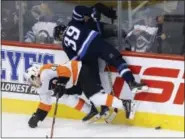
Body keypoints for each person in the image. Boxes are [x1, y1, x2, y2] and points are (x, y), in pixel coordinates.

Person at [24, 61, 136, 128]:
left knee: (96, 98)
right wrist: (37, 117)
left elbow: (65, 71)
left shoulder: (45, 71)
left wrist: (61, 84)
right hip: (73, 82)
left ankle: (126, 103)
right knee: (66, 98)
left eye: (31, 81)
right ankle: (92, 111)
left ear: (35, 74)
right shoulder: (41, 88)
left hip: (80, 71)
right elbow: (45, 103)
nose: (32, 84)